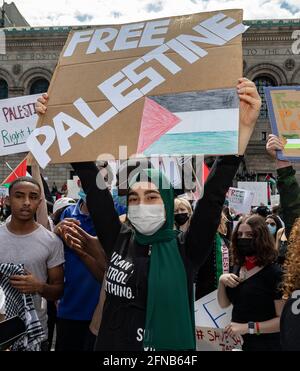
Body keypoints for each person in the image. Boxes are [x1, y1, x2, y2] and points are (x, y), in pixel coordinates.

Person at [36, 77, 261, 351]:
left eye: (152, 196)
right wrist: (60, 121)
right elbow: (92, 184)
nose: (142, 204)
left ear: (167, 202)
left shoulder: (186, 249)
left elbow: (213, 195)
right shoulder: (119, 239)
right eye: (134, 198)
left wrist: (243, 130)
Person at [0, 177, 64, 349]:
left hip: (35, 334)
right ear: (7, 200)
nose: (26, 202)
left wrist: (39, 286)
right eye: (19, 196)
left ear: (40, 202)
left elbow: (58, 291)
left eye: (33, 197)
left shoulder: (51, 241)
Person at [217, 215, 284, 351]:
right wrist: (221, 281)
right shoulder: (237, 266)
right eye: (240, 234)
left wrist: (249, 328)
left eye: (249, 235)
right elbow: (224, 304)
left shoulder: (274, 273)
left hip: (267, 345)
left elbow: (282, 321)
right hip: (238, 344)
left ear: (261, 237)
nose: (243, 238)